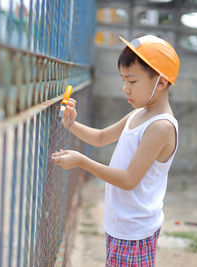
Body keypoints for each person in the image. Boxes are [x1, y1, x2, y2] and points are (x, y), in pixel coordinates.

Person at [51, 35, 180, 266]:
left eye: (132, 82)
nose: (125, 89)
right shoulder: (138, 114)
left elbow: (129, 179)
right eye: (123, 80)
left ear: (160, 83)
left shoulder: (160, 127)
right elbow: (101, 137)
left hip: (134, 231)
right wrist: (71, 124)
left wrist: (82, 161)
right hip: (120, 223)